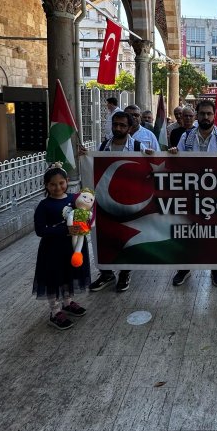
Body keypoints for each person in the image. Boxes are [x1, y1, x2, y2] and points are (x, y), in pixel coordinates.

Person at [88, 110, 153, 294]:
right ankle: (106, 274)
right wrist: (86, 156)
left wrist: (152, 156)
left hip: (129, 203)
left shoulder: (138, 147)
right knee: (105, 238)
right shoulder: (103, 147)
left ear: (130, 128)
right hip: (105, 201)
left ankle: (125, 273)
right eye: (115, 124)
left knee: (126, 238)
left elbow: (150, 169)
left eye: (122, 125)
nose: (118, 128)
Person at [171, 99, 217, 288]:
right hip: (191, 193)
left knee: (214, 234)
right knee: (188, 232)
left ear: (214, 116)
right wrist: (174, 153)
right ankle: (184, 268)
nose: (206, 117)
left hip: (215, 196)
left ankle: (216, 269)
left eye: (209, 114)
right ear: (197, 116)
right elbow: (177, 163)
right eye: (202, 113)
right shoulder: (186, 137)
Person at [33, 165, 90, 330]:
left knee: (68, 274)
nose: (58, 187)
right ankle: (55, 311)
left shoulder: (74, 199)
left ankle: (68, 302)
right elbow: (40, 230)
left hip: (72, 248)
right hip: (53, 250)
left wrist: (85, 224)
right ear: (46, 185)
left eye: (61, 183)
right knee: (54, 278)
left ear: (67, 181)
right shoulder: (44, 205)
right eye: (53, 184)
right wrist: (65, 230)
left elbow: (84, 214)